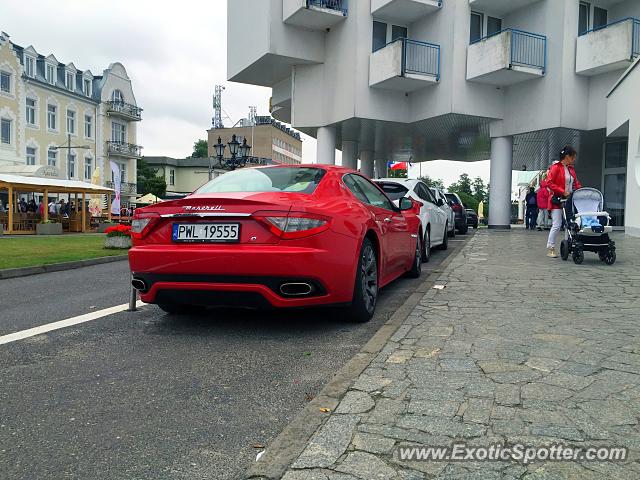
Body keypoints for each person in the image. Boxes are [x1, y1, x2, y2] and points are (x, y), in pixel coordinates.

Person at [546, 146, 582, 258]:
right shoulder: (555, 168)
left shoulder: (571, 169)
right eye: (573, 157)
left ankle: (568, 245)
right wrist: (562, 191)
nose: (574, 159)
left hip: (570, 200)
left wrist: (581, 190)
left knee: (571, 223)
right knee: (557, 225)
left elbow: (576, 183)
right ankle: (550, 247)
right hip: (557, 199)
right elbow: (549, 183)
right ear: (567, 157)